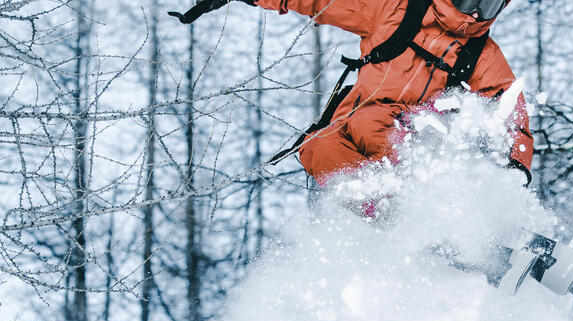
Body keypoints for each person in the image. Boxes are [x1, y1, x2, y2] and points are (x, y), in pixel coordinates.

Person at [171, 0, 533, 187]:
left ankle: (441, 210)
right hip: (360, 118)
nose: (473, 13)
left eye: (487, 5)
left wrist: (513, 167)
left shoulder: (482, 53)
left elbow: (509, 109)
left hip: (425, 138)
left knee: (374, 125)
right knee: (317, 146)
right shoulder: (398, 11)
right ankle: (377, 211)